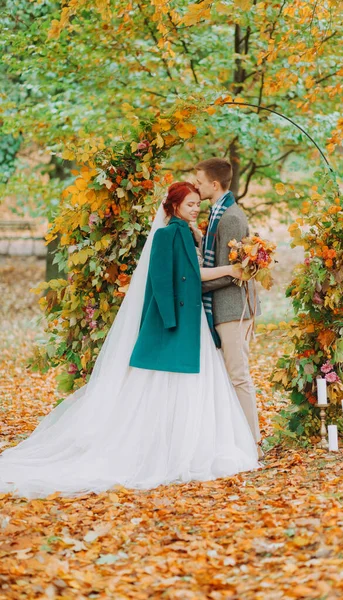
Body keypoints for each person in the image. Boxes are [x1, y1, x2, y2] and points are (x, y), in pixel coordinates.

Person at [0, 181, 259, 500]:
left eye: (197, 204)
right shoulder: (166, 236)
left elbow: (191, 275)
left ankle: (190, 446)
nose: (196, 209)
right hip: (176, 320)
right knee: (163, 383)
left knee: (196, 382)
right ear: (174, 206)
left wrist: (233, 269)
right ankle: (168, 450)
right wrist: (170, 318)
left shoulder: (188, 234)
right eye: (190, 204)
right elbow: (162, 280)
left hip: (193, 322)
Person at [194, 159, 263, 457]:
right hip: (224, 307)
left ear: (214, 184)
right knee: (230, 375)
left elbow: (235, 272)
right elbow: (220, 257)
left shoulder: (231, 217)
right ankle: (238, 439)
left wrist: (196, 285)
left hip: (232, 308)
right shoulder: (217, 213)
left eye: (199, 182)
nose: (196, 187)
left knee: (238, 376)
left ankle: (254, 443)